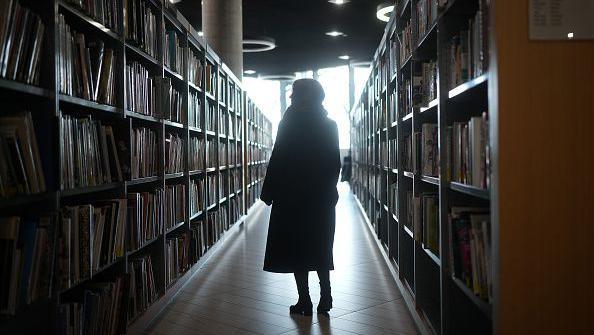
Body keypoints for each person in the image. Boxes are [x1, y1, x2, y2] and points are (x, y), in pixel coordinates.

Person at [260, 79, 341, 316]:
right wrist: (329, 192)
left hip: (290, 196)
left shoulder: (289, 123)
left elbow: (278, 158)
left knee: (296, 248)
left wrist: (269, 193)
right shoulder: (330, 125)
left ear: (305, 96)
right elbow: (334, 163)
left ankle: (304, 300)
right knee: (320, 245)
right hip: (320, 198)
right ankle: (325, 296)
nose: (292, 97)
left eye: (295, 93)